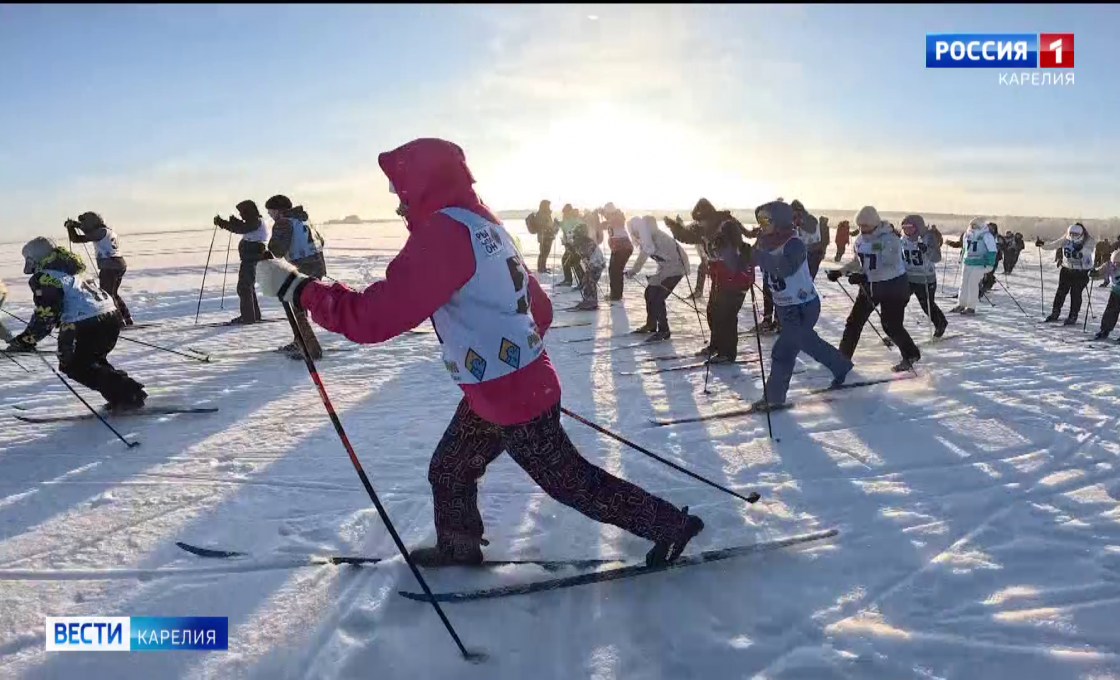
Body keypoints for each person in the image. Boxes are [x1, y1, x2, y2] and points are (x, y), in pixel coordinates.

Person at [254, 137, 704, 567]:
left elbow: (373, 317)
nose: (398, 202)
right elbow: (540, 310)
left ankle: (669, 526)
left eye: (400, 189)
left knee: (570, 482)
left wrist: (299, 288)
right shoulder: (482, 222)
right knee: (449, 469)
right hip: (502, 388)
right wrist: (513, 358)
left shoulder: (443, 233)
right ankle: (458, 547)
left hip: (510, 395)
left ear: (422, 183)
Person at [6, 237, 147, 411]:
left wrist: (25, 340)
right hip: (111, 316)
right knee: (92, 361)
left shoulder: (46, 277)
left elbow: (47, 315)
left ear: (34, 259)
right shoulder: (72, 269)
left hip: (84, 321)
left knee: (73, 365)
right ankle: (122, 396)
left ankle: (129, 394)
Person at [750, 201, 852, 411]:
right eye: (759, 220)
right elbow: (745, 261)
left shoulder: (794, 243)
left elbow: (784, 268)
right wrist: (732, 250)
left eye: (765, 220)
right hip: (784, 306)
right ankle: (841, 366)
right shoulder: (764, 242)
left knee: (784, 351)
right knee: (807, 343)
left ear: (779, 221)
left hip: (803, 306)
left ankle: (774, 398)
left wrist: (757, 256)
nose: (761, 225)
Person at [827, 205, 922, 372]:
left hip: (893, 287)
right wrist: (840, 272)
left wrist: (865, 277)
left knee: (891, 325)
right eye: (860, 225)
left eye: (865, 225)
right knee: (854, 322)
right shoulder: (860, 240)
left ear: (874, 223)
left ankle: (911, 354)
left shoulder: (889, 239)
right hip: (869, 287)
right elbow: (859, 262)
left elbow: (890, 266)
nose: (862, 229)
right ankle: (842, 359)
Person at [666, 199, 753, 363]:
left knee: (727, 315)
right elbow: (687, 236)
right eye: (697, 221)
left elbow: (737, 245)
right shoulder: (703, 229)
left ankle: (727, 353)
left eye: (701, 220)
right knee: (713, 312)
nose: (699, 224)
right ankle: (716, 345)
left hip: (736, 276)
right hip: (719, 278)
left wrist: (723, 243)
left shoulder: (727, 225)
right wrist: (675, 228)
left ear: (710, 216)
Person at [266, 195, 327, 359]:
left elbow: (278, 250)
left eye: (270, 211)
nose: (269, 214)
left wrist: (269, 248)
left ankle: (309, 348)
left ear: (278, 210)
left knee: (298, 310)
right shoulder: (303, 219)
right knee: (300, 306)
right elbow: (321, 241)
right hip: (317, 266)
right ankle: (300, 341)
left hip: (302, 269)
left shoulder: (283, 222)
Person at [627, 215, 690, 341]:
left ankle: (664, 330)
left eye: (636, 232)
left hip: (678, 268)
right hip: (666, 268)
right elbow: (643, 255)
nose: (635, 235)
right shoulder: (648, 239)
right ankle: (651, 324)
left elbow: (673, 262)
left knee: (658, 298)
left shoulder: (660, 239)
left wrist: (658, 278)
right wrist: (633, 271)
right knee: (649, 292)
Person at [65, 212, 133, 326]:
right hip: (119, 264)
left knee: (108, 295)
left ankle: (118, 321)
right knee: (114, 293)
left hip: (109, 266)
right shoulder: (107, 231)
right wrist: (75, 225)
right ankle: (127, 318)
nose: (83, 225)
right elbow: (88, 230)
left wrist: (70, 228)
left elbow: (76, 239)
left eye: (85, 223)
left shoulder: (100, 232)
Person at [214, 200, 271, 325]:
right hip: (250, 257)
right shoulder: (255, 221)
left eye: (242, 212)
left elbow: (242, 229)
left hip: (252, 258)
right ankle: (253, 315)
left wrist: (223, 223)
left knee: (244, 287)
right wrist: (233, 222)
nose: (240, 215)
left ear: (248, 211)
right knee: (248, 287)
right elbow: (243, 227)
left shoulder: (255, 222)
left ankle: (248, 317)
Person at [899, 214, 948, 338]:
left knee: (927, 305)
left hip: (925, 278)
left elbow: (937, 258)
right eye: (904, 227)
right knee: (898, 303)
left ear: (918, 227)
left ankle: (941, 323)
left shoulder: (928, 237)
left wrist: (926, 250)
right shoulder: (902, 239)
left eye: (910, 227)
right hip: (908, 278)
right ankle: (895, 330)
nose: (907, 230)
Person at [1038, 223, 1096, 325]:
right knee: (1061, 292)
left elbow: (1089, 250)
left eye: (1075, 234)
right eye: (1071, 234)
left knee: (1075, 294)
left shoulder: (1088, 240)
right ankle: (1055, 312)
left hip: (1081, 271)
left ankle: (1073, 315)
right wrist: (1043, 245)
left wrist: (1081, 248)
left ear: (1081, 233)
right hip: (1066, 269)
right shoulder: (1066, 239)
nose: (1073, 236)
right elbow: (1054, 244)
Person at [946, 218, 997, 315]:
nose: (973, 227)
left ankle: (971, 307)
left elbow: (992, 250)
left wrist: (989, 263)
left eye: (975, 225)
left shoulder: (986, 235)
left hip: (980, 263)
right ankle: (961, 304)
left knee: (972, 284)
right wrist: (962, 259)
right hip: (968, 262)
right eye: (972, 225)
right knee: (963, 284)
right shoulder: (967, 234)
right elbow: (965, 248)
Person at [571, 221, 606, 310]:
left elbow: (584, 253)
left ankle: (592, 300)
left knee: (590, 281)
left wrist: (574, 249)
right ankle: (588, 298)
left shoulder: (588, 242)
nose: (575, 236)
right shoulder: (582, 242)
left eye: (576, 234)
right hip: (592, 264)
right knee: (586, 281)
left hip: (596, 265)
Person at [602, 203, 633, 302]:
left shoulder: (618, 217)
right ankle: (615, 294)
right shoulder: (613, 218)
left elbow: (613, 221)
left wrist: (603, 214)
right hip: (617, 248)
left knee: (615, 271)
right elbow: (606, 224)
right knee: (613, 270)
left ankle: (616, 295)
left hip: (622, 248)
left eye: (607, 212)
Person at [1090, 250, 1120, 341]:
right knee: (1110, 312)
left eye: (1119, 264)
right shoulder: (1109, 265)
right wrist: (1094, 273)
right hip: (1115, 292)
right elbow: (1101, 273)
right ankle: (1105, 330)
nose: (1116, 265)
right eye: (1115, 263)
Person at [791, 199, 824, 279]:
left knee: (808, 279)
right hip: (804, 253)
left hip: (813, 253)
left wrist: (799, 224)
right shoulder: (797, 220)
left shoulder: (810, 218)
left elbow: (812, 229)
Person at [526, 200, 557, 274]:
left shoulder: (545, 214)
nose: (549, 207)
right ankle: (541, 268)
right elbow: (542, 224)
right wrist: (547, 225)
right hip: (544, 236)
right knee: (543, 253)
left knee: (545, 253)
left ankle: (543, 267)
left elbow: (548, 224)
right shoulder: (541, 214)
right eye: (548, 205)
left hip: (547, 236)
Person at [557, 204, 584, 288]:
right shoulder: (566, 220)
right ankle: (568, 280)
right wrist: (557, 223)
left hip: (576, 245)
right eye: (564, 212)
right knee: (565, 260)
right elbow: (563, 225)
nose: (564, 214)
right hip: (569, 245)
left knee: (575, 262)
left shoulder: (575, 220)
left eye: (566, 212)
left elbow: (581, 229)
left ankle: (582, 282)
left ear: (570, 212)